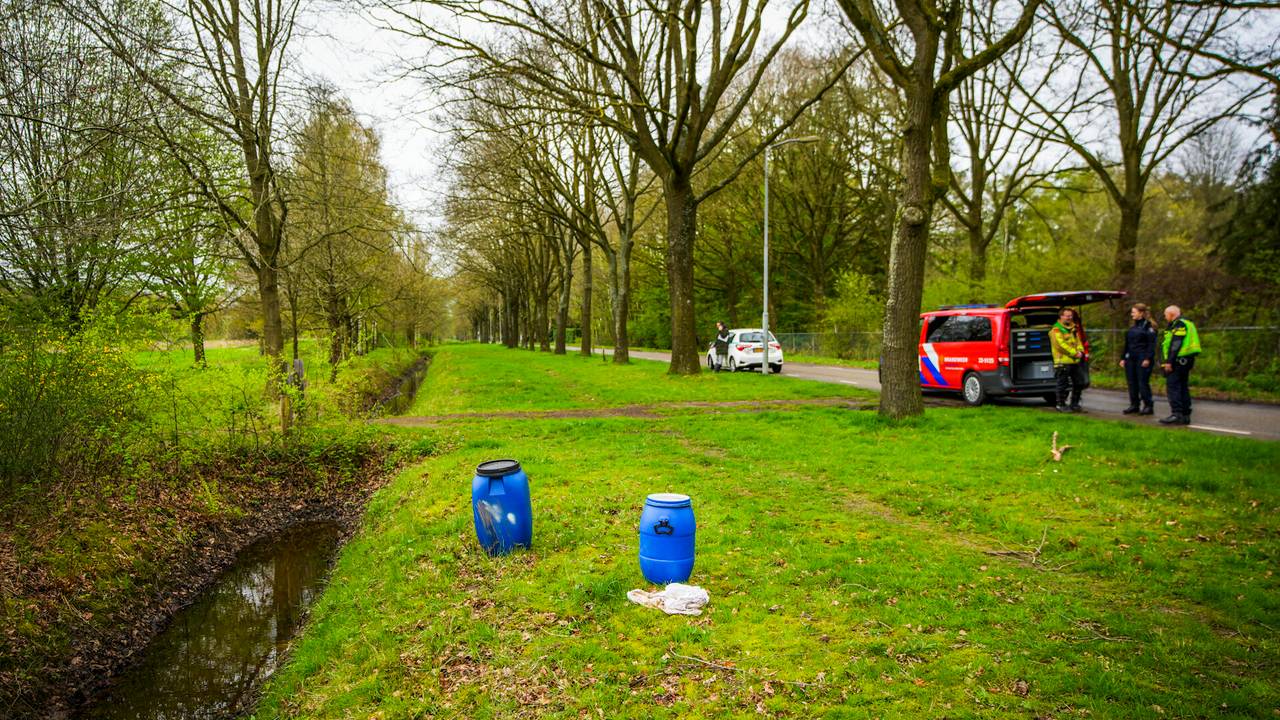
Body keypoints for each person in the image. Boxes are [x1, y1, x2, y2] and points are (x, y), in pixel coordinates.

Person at [1159, 305, 1201, 426]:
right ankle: (1185, 415)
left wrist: (1169, 361)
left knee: (1173, 387)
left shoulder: (1179, 324)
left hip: (1178, 360)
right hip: (1186, 360)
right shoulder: (1188, 323)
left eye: (1165, 314)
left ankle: (1176, 414)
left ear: (1171, 314)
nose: (1165, 317)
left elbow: (1176, 344)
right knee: (1183, 387)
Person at [1120, 303, 1158, 415]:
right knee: (1132, 382)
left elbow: (1151, 345)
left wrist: (1147, 358)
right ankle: (1134, 405)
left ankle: (1148, 405)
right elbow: (1127, 344)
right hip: (1131, 358)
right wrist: (1123, 358)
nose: (1132, 314)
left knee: (1142, 382)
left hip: (1142, 357)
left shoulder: (1149, 328)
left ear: (1141, 313)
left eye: (1134, 312)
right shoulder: (1133, 327)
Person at [1049, 307, 1087, 412]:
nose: (1069, 318)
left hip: (1075, 361)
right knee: (1062, 384)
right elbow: (1060, 345)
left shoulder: (1073, 328)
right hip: (1062, 362)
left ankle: (1074, 404)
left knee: (1080, 383)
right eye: (1067, 316)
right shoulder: (1056, 329)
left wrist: (1081, 351)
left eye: (1071, 316)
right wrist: (1075, 353)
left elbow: (1078, 341)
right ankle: (1060, 405)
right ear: (1061, 316)